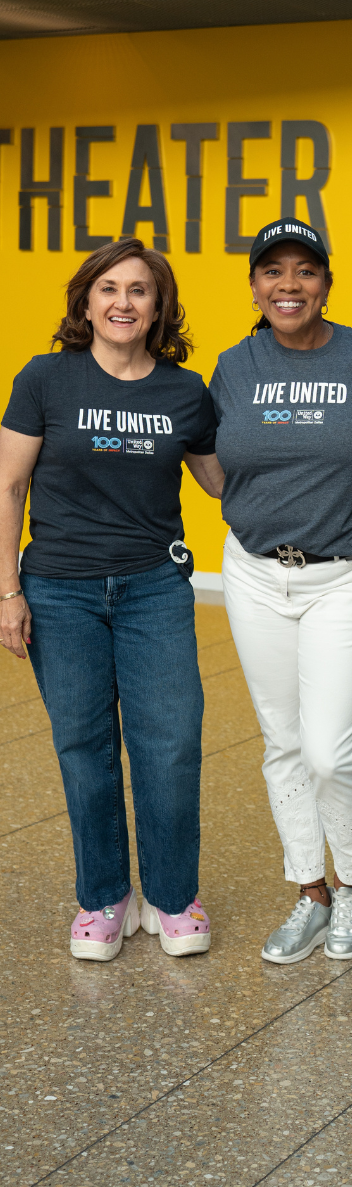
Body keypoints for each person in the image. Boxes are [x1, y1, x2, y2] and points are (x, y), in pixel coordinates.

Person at [0, 238, 222, 962]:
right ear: (86, 302)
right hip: (59, 589)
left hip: (154, 587)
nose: (123, 302)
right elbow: (7, 486)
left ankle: (172, 896)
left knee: (172, 743)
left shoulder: (185, 392)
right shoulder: (44, 379)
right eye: (109, 289)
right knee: (84, 745)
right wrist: (7, 591)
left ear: (159, 307)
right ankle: (103, 896)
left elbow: (222, 481)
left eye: (139, 290)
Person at [209, 219, 352, 964]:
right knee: (283, 741)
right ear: (254, 287)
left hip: (347, 576)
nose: (288, 285)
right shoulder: (234, 366)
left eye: (305, 270)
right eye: (273, 271)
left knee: (329, 749)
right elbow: (213, 461)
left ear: (327, 283)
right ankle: (311, 891)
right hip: (256, 573)